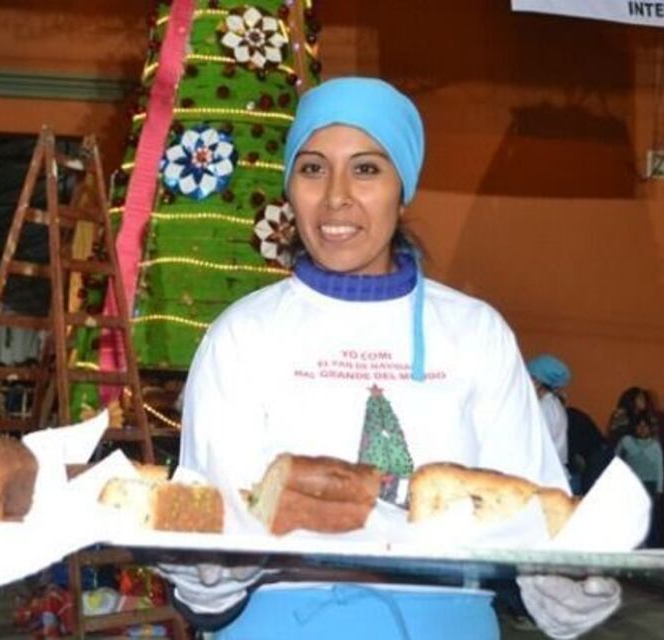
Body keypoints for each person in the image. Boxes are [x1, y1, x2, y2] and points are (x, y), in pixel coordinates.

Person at [164, 77, 620, 640]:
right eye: (311, 169)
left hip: (445, 624)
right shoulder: (241, 335)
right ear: (289, 188)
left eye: (366, 169)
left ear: (402, 189)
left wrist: (556, 582)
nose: (336, 196)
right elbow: (206, 527)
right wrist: (205, 582)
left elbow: (529, 513)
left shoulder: (475, 333)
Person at [615, 417, 664, 545]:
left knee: (649, 515)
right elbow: (616, 456)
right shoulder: (627, 441)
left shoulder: (655, 445)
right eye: (639, 426)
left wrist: (660, 488)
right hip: (633, 483)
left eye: (645, 426)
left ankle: (650, 542)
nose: (642, 429)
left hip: (650, 483)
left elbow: (660, 468)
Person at [526, 354, 571, 470]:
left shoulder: (545, 408)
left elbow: (535, 447)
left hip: (545, 473)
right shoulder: (552, 404)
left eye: (528, 377)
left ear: (537, 382)